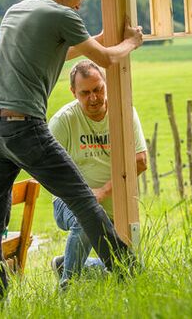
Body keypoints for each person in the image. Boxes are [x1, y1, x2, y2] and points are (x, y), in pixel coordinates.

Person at [0, 0, 143, 297]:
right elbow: (108, 59)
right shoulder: (62, 15)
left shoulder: (17, 10)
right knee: (83, 201)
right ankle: (130, 276)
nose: (82, 3)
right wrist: (131, 42)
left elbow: (49, 53)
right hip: (23, 127)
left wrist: (98, 36)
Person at [48, 60, 147, 289]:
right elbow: (48, 169)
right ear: (73, 92)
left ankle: (66, 264)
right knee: (86, 217)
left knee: (133, 270)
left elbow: (140, 161)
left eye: (98, 89)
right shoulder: (63, 121)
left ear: (106, 85)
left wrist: (103, 192)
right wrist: (84, 196)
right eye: (85, 93)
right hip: (69, 201)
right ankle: (67, 288)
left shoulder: (124, 113)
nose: (93, 98)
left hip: (115, 203)